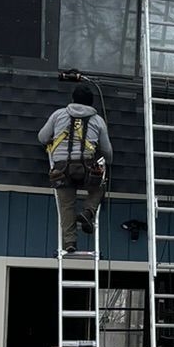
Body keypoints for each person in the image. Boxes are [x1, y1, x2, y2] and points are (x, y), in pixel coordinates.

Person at [39, 97, 112, 253]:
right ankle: (88, 212)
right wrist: (108, 161)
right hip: (87, 168)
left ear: (73, 99)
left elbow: (42, 137)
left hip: (61, 170)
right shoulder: (98, 121)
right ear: (91, 103)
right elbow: (107, 151)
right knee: (98, 187)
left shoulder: (58, 115)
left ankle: (70, 242)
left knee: (66, 206)